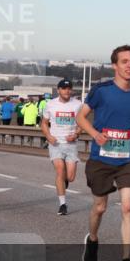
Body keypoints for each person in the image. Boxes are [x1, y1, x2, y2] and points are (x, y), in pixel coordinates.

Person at [76, 45, 130, 261]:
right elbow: (80, 116)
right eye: (124, 61)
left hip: (127, 159)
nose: (129, 65)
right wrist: (95, 134)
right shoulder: (101, 91)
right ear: (114, 66)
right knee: (100, 207)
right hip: (101, 159)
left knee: (127, 206)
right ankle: (93, 239)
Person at [41, 79, 82, 216]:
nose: (67, 91)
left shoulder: (77, 105)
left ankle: (65, 181)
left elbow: (82, 123)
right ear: (58, 90)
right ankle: (62, 204)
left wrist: (76, 134)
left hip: (71, 144)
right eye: (64, 88)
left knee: (70, 177)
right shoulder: (50, 104)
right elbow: (44, 123)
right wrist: (48, 136)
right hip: (55, 143)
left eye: (69, 88)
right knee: (59, 171)